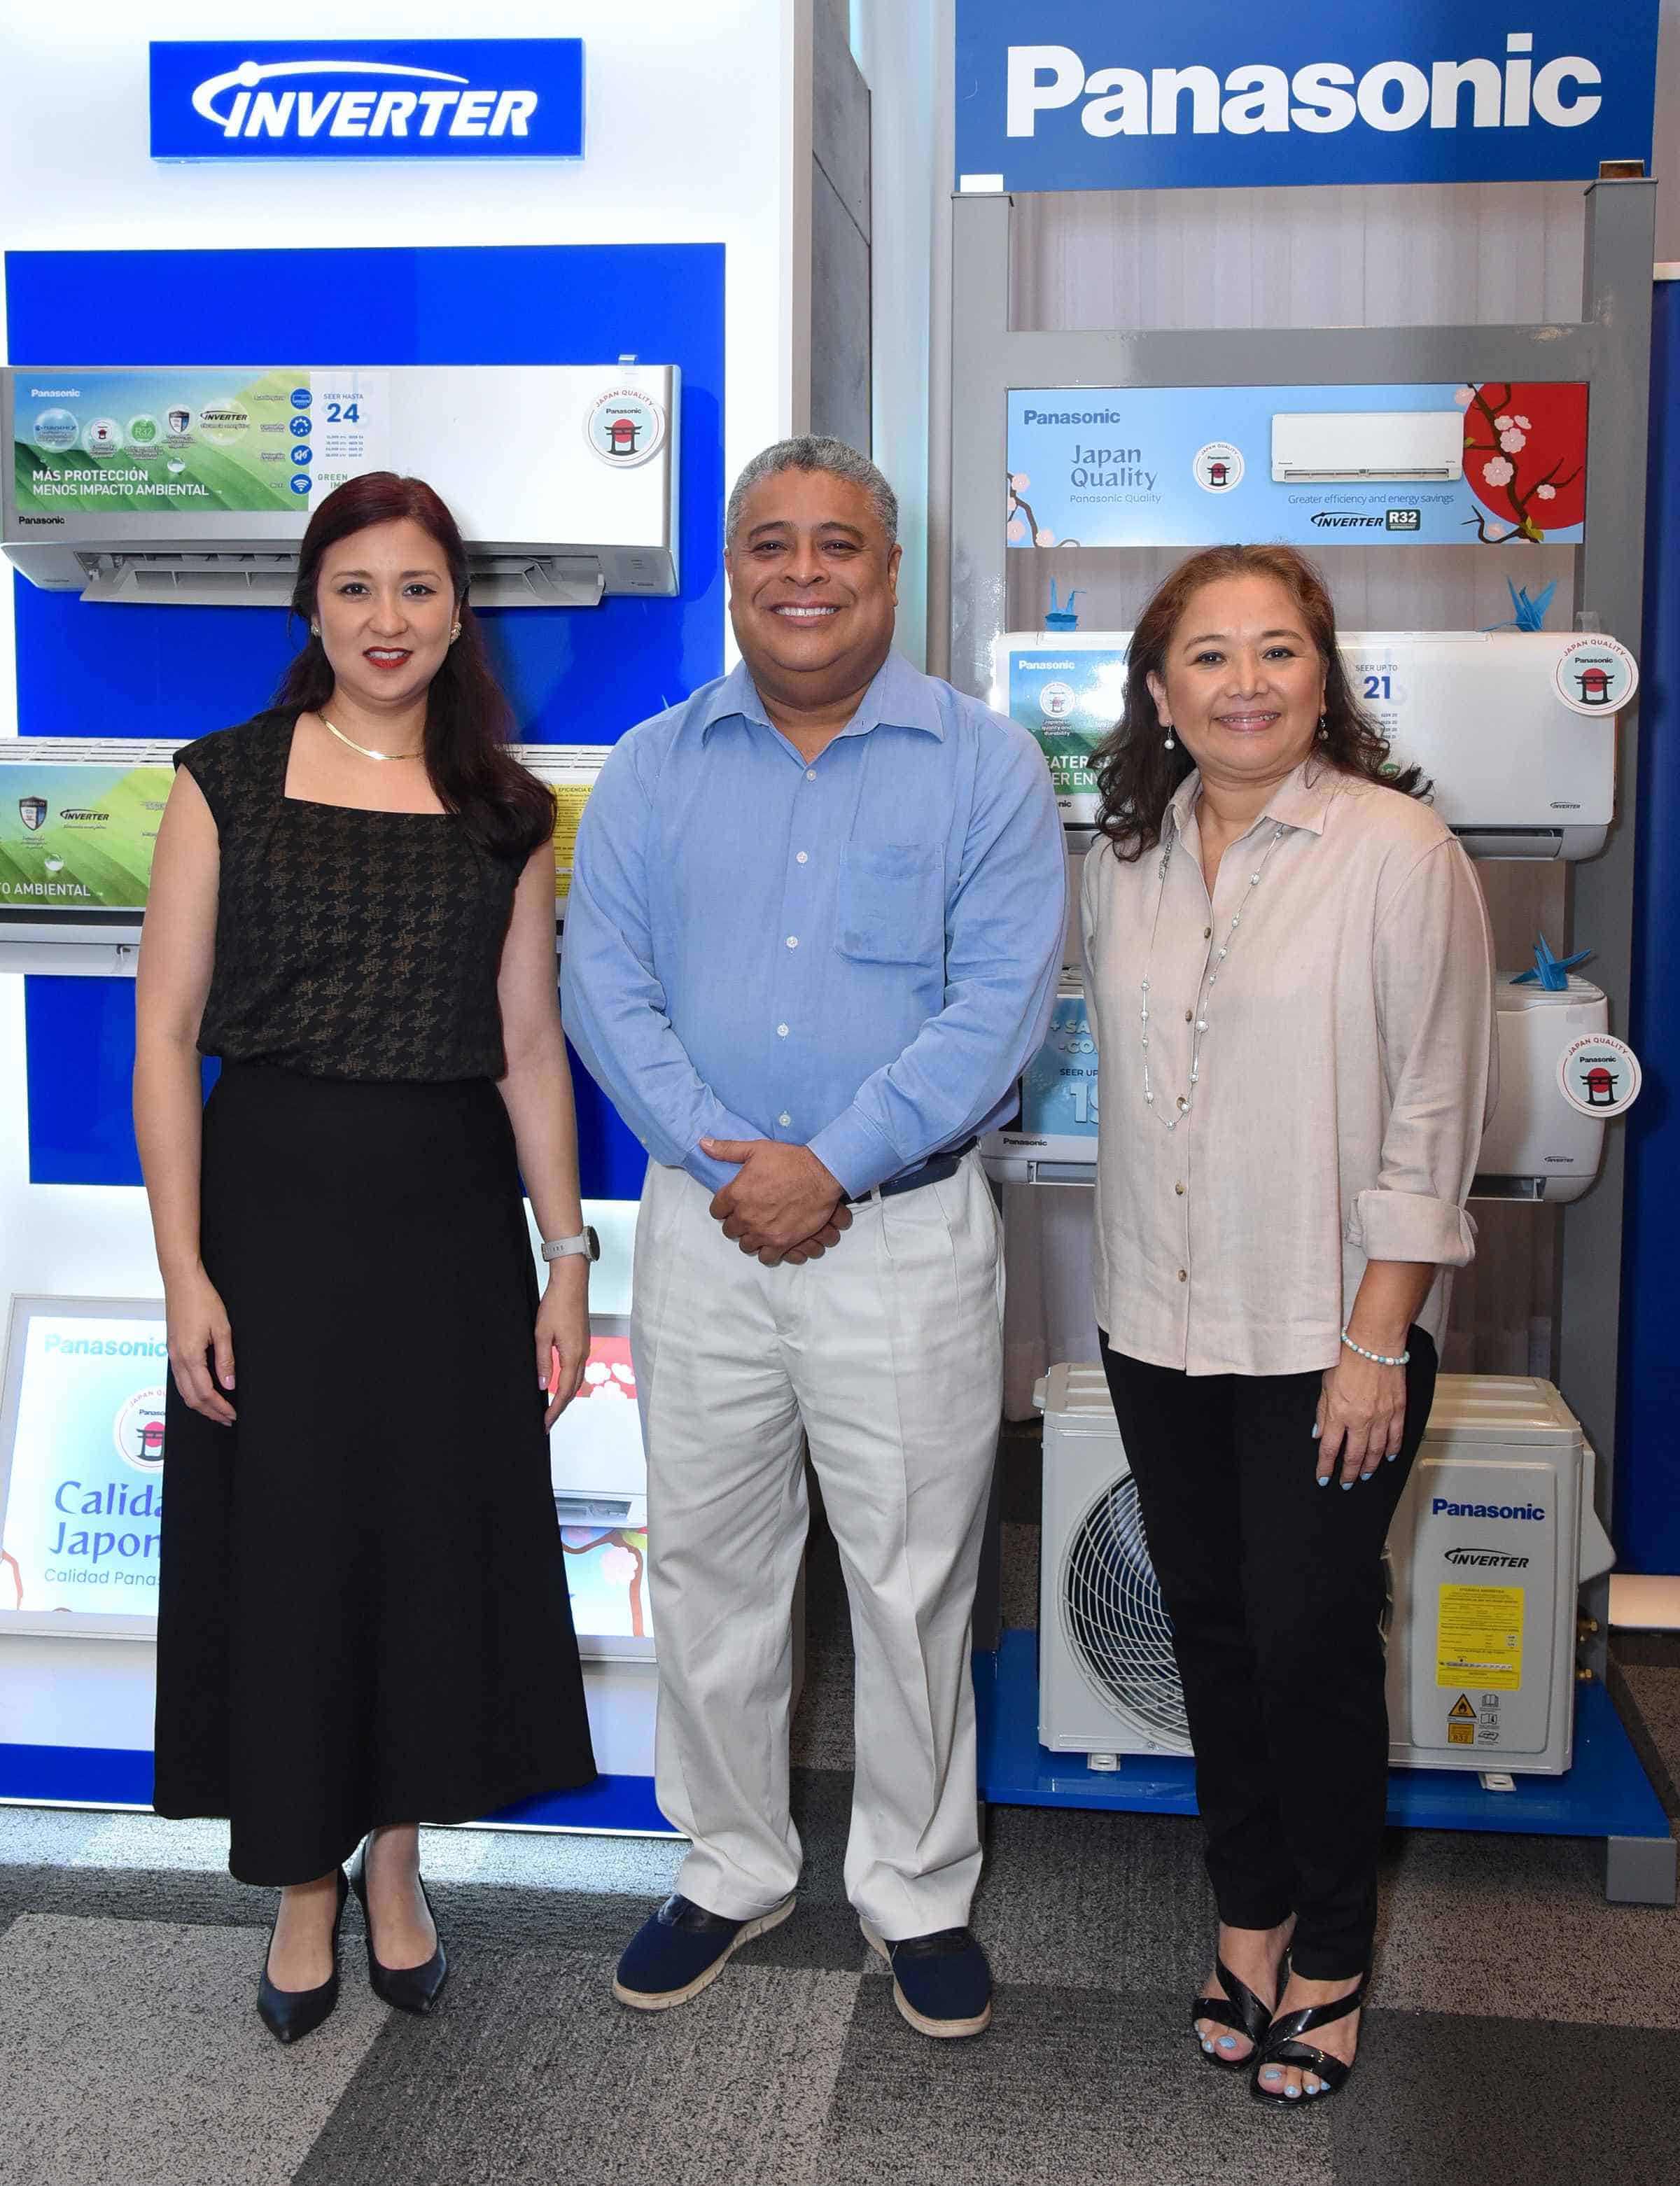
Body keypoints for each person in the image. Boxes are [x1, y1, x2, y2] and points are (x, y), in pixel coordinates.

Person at [561, 436, 1065, 2039]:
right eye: (770, 544)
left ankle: (916, 1884)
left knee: (912, 1577)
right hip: (707, 1226)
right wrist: (738, 1163)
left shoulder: (984, 764)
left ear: (891, 570)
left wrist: (830, 1164)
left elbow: (999, 1007)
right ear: (733, 571)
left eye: (836, 544)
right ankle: (729, 1862)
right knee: (712, 1561)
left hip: (904, 1235)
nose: (802, 573)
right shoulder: (651, 764)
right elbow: (604, 983)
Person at [134, 471, 597, 2045]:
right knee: (291, 1550)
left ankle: (396, 1856)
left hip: (451, 1228)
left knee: (428, 1549)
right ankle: (302, 1879)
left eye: (415, 587)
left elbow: (532, 1049)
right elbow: (165, 1033)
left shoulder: (507, 806)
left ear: (456, 609)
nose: (385, 619)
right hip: (272, 1221)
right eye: (354, 588)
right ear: (311, 609)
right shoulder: (226, 779)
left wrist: (567, 1254)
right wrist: (185, 1271)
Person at [1082, 542, 1496, 2107]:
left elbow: (1438, 1100)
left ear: (1326, 675)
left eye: (1277, 650)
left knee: (1315, 1638)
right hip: (1158, 1315)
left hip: (1331, 1334)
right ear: (1159, 687)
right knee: (1211, 1632)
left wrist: (1380, 1331)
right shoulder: (1127, 848)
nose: (1244, 682)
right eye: (1209, 654)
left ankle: (1333, 1944)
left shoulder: (1398, 849)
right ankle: (1245, 1909)